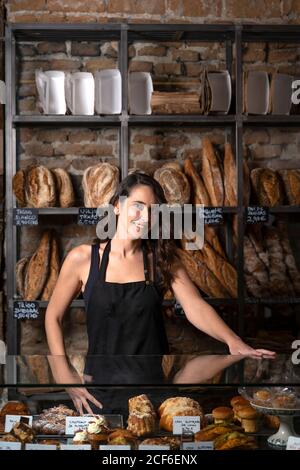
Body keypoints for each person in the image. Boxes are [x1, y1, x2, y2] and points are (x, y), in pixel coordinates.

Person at [45, 172, 274, 414]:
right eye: (138, 206)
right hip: (99, 391)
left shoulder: (162, 260)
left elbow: (194, 306)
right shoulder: (83, 258)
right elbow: (53, 316)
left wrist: (233, 341)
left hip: (153, 389)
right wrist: (64, 374)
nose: (145, 217)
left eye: (153, 210)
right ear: (117, 207)